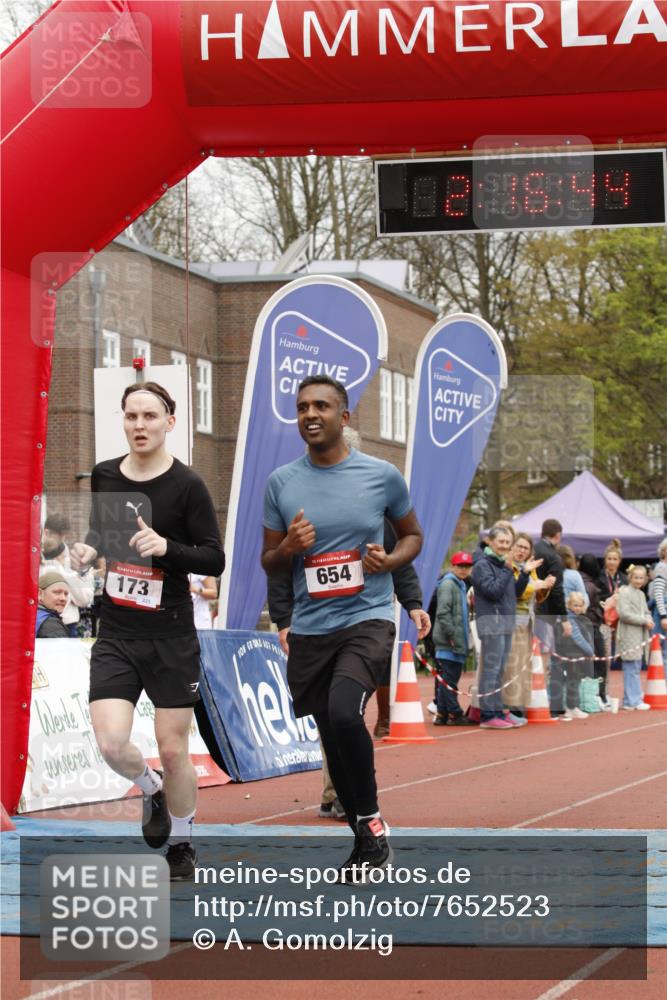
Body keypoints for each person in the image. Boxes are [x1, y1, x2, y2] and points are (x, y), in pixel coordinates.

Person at [262, 375, 423, 881]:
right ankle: (365, 837)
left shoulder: (382, 476)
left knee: (344, 711)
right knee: (329, 731)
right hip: (312, 627)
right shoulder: (281, 483)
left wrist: (390, 562)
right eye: (302, 407)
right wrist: (288, 547)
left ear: (343, 416)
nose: (311, 414)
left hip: (367, 617)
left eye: (322, 406)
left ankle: (371, 820)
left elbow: (412, 536)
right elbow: (270, 561)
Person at [71, 381, 224, 880]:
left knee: (175, 749)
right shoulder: (105, 475)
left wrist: (167, 548)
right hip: (117, 630)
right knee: (112, 743)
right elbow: (104, 530)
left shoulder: (188, 486)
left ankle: (182, 842)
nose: (139, 425)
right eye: (131, 416)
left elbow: (213, 558)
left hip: (171, 633)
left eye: (150, 416)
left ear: (169, 422)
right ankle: (151, 788)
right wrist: (91, 549)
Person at [471, 525, 530, 730]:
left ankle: (497, 711)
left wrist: (524, 574)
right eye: (501, 542)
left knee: (500, 671)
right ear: (490, 542)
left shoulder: (504, 565)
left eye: (507, 542)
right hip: (491, 623)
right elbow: (493, 591)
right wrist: (507, 569)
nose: (505, 546)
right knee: (491, 670)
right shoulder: (482, 565)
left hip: (506, 623)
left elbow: (515, 593)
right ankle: (488, 715)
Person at [503, 533, 554, 721]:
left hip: (527, 622)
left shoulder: (529, 568)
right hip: (513, 621)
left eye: (526, 548)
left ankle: (518, 705)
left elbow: (537, 597)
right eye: (519, 546)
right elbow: (517, 592)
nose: (522, 551)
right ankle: (512, 708)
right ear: (512, 547)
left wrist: (546, 586)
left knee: (523, 666)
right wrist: (536, 585)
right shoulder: (509, 566)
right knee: (512, 666)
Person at [534, 518, 572, 719]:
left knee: (527, 659)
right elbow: (557, 590)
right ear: (558, 535)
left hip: (526, 611)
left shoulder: (531, 550)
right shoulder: (553, 557)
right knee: (543, 660)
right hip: (544, 613)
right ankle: (541, 704)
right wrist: (564, 618)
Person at [432, 551, 473, 726]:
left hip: (454, 640)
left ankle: (442, 713)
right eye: (460, 566)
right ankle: (454, 713)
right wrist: (452, 636)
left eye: (467, 566)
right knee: (450, 680)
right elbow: (443, 613)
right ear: (452, 566)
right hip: (449, 641)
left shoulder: (460, 584)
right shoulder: (449, 584)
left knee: (447, 679)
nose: (464, 569)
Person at [41, 512, 95, 637]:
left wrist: (62, 568)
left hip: (64, 622)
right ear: (46, 533)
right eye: (60, 536)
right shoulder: (39, 560)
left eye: (64, 536)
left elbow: (83, 598)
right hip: (47, 621)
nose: (62, 540)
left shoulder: (70, 560)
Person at [617, 566, 653, 711]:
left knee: (636, 666)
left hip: (640, 634)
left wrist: (649, 619)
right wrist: (644, 620)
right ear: (630, 577)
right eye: (636, 577)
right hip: (628, 633)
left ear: (645, 579)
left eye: (641, 578)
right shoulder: (624, 592)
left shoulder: (641, 594)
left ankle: (634, 698)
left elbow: (646, 611)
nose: (638, 580)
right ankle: (631, 700)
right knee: (631, 667)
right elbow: (624, 614)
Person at [578, 553, 610, 707]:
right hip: (591, 626)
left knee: (583, 664)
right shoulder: (590, 586)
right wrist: (602, 610)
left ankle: (587, 697)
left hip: (581, 625)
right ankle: (598, 696)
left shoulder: (579, 581)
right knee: (599, 662)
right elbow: (588, 609)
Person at [559, 592, 595, 719]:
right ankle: (571, 708)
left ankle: (573, 706)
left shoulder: (576, 618)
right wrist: (590, 651)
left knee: (575, 679)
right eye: (575, 605)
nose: (578, 608)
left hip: (575, 654)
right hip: (572, 654)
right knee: (573, 680)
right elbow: (578, 638)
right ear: (568, 605)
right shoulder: (570, 619)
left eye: (580, 605)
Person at [35, 571, 70, 638]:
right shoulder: (50, 624)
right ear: (40, 594)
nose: (63, 598)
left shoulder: (32, 616)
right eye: (57, 592)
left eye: (66, 594)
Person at [648, 538, 667, 657]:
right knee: (661, 652)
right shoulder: (662, 567)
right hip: (663, 611)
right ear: (664, 551)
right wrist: (663, 616)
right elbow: (658, 594)